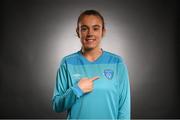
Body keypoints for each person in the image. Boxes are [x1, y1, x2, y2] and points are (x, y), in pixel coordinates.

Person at [52, 9, 131, 119]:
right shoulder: (67, 63)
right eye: (84, 29)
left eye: (95, 28)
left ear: (103, 31)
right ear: (78, 32)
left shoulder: (117, 63)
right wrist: (76, 90)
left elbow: (124, 109)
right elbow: (57, 106)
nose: (90, 33)